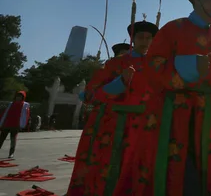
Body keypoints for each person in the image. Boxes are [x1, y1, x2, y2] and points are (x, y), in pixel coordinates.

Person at [128, 0, 211, 196]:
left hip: (205, 114)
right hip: (170, 112)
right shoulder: (173, 29)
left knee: (200, 169)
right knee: (170, 170)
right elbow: (152, 66)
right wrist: (188, 66)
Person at [66, 19, 158, 196]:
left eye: (149, 38)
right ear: (133, 39)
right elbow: (90, 94)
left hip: (145, 128)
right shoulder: (114, 64)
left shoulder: (157, 65)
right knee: (109, 172)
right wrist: (120, 82)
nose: (145, 42)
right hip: (113, 127)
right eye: (140, 37)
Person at [0, 91, 30, 158]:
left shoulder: (25, 105)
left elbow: (26, 115)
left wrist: (23, 124)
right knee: (1, 138)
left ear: (23, 98)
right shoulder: (11, 104)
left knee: (13, 140)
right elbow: (5, 113)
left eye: (20, 97)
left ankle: (11, 153)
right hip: (7, 124)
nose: (18, 98)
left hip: (15, 125)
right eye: (17, 96)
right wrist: (1, 122)